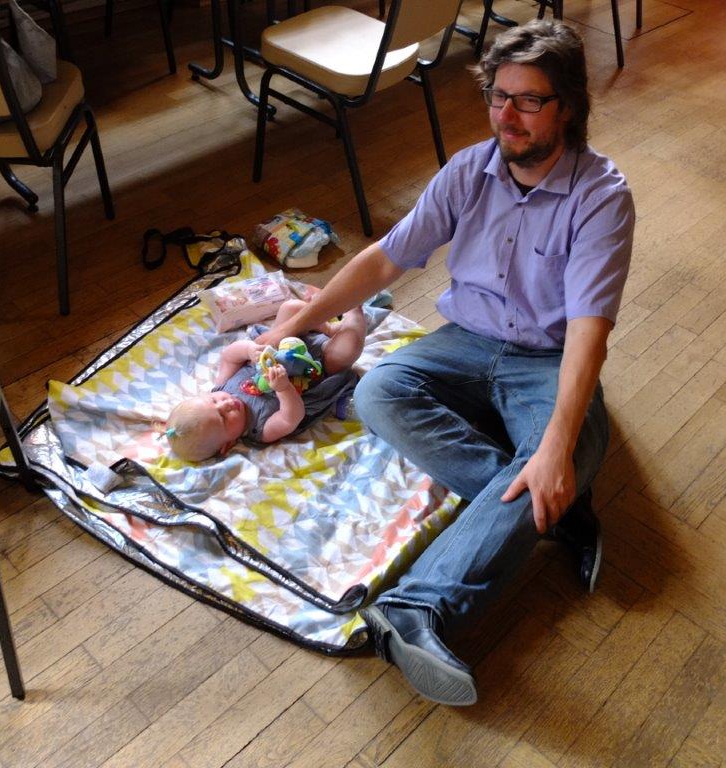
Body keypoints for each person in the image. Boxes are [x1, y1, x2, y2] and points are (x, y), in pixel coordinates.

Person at [257, 19, 634, 705]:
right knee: (377, 393)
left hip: (547, 358)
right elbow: (385, 259)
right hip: (464, 341)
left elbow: (588, 333)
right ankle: (555, 509)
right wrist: (295, 321)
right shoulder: (468, 171)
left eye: (529, 100)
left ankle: (415, 607)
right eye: (498, 96)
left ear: (568, 107)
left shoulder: (602, 197)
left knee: (574, 446)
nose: (506, 116)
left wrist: (556, 449)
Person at [165, 299, 366, 461]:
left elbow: (228, 356)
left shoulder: (222, 386)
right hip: (317, 369)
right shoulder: (261, 430)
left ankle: (328, 328)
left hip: (284, 344)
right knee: (347, 349)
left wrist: (248, 350)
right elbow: (291, 417)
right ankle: (353, 311)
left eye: (214, 400)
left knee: (291, 308)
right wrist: (283, 388)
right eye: (224, 418)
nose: (226, 404)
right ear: (228, 444)